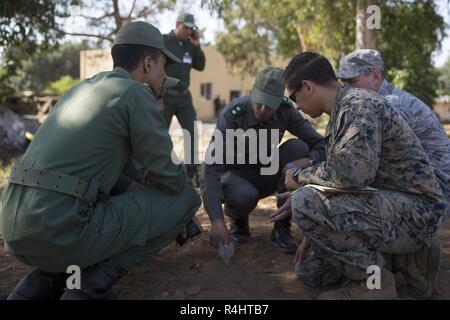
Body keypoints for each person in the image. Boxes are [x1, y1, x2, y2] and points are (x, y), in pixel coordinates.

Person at [0, 21, 201, 300]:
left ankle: (32, 291)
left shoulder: (82, 89)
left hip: (15, 221)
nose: (164, 75)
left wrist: (136, 186)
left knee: (82, 214)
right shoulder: (136, 94)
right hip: (59, 228)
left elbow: (86, 170)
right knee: (187, 199)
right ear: (147, 63)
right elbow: (171, 178)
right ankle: (86, 289)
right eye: (163, 65)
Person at [274, 52, 448, 299]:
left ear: (307, 87)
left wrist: (300, 177)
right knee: (311, 270)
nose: (296, 106)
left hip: (419, 212)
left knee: (304, 201)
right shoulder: (343, 111)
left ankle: (375, 284)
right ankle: (408, 261)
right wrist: (316, 226)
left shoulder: (359, 105)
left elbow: (353, 175)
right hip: (395, 206)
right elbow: (347, 175)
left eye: (293, 98)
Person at [201, 66, 325, 254]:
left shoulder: (285, 111)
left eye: (269, 105)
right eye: (259, 102)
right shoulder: (233, 115)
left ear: (279, 102)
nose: (263, 109)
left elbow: (319, 144)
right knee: (244, 195)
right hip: (236, 177)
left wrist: (306, 162)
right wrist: (216, 221)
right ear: (251, 93)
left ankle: (282, 229)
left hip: (267, 172)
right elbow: (210, 167)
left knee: (298, 148)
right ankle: (238, 221)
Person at [336, 49, 450, 209]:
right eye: (343, 83)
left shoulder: (390, 104)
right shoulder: (382, 101)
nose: (346, 90)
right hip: (426, 183)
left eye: (352, 82)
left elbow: (365, 163)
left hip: (437, 192)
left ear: (375, 77)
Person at [163, 12, 206, 185]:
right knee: (159, 135)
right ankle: (160, 171)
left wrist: (197, 45)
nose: (189, 31)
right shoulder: (164, 41)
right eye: (186, 27)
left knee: (191, 133)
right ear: (177, 24)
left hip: (183, 97)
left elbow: (201, 66)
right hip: (164, 96)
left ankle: (191, 173)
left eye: (191, 28)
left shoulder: (190, 45)